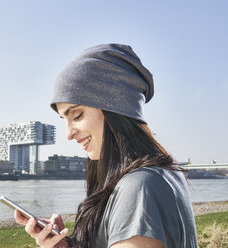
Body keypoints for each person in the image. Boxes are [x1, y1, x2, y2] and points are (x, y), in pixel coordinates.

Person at [14, 43, 198, 248]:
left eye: (77, 115)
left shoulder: (139, 186)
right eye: (64, 120)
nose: (68, 134)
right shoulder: (160, 174)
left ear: (115, 109)